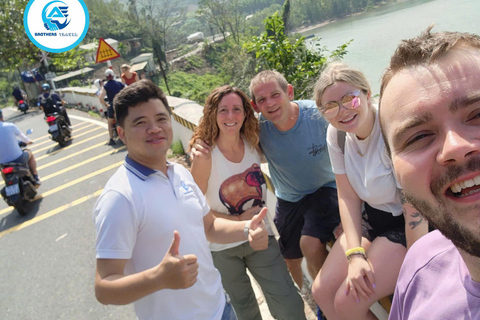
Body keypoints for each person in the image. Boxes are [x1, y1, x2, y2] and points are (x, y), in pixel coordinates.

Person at [93, 79, 269, 320]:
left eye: (161, 119)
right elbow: (104, 287)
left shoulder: (180, 173)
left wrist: (247, 228)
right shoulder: (120, 197)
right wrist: (158, 278)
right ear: (122, 134)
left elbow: (209, 226)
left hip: (221, 309)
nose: (154, 128)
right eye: (140, 123)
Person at [193, 71, 341, 295]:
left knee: (310, 244)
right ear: (254, 106)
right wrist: (197, 145)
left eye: (275, 94)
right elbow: (228, 133)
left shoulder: (317, 116)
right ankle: (302, 293)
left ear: (289, 92)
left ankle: (326, 302)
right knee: (289, 256)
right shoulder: (258, 129)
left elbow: (352, 152)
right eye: (262, 100)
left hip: (326, 189)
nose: (270, 103)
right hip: (289, 196)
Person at [310, 62, 428, 320]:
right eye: (330, 106)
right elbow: (348, 196)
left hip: (405, 227)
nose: (342, 112)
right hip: (372, 218)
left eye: (349, 99)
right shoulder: (337, 135)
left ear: (367, 94)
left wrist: (421, 265)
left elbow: (414, 210)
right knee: (321, 291)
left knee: (347, 302)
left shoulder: (390, 133)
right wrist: (355, 255)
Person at [378, 27, 480, 320]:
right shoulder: (421, 264)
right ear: (395, 171)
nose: (456, 147)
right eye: (418, 137)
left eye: (478, 114)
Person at [189, 85, 306, 320]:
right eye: (223, 110)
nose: (230, 116)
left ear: (245, 113)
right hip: (222, 248)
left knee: (289, 303)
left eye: (236, 109)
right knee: (245, 311)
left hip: (260, 239)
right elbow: (193, 212)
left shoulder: (253, 142)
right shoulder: (205, 156)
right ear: (212, 113)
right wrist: (238, 221)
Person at [0, 108, 40, 185]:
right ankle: (35, 176)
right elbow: (23, 138)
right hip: (18, 158)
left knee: (2, 170)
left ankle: (7, 183)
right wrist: (29, 142)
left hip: (3, 163)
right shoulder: (10, 126)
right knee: (30, 154)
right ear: (1, 116)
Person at [99, 69, 125, 146]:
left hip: (113, 105)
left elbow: (101, 98)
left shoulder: (105, 86)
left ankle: (111, 139)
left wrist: (106, 105)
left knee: (110, 123)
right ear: (113, 75)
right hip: (122, 104)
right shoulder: (119, 83)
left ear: (106, 77)